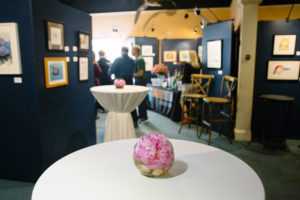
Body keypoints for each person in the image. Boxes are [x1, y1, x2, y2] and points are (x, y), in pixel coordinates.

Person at [108, 47, 138, 127]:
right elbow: (134, 71)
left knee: (120, 100)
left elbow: (111, 71)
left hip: (120, 83)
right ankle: (134, 121)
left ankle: (121, 122)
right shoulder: (132, 60)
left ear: (121, 51)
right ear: (127, 52)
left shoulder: (117, 59)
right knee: (131, 100)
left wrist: (110, 69)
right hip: (130, 82)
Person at [180, 50, 201, 124]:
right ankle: (192, 116)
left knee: (182, 101)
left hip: (187, 85)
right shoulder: (198, 66)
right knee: (193, 101)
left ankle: (186, 118)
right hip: (195, 86)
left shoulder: (187, 65)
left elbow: (185, 76)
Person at [132, 45, 148, 123]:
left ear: (136, 51)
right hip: (138, 81)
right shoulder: (137, 59)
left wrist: (131, 75)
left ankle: (143, 117)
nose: (131, 52)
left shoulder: (140, 59)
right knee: (140, 100)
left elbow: (140, 73)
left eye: (132, 50)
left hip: (140, 81)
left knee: (141, 100)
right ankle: (142, 115)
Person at [93, 52, 103, 118]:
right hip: (95, 82)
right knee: (95, 99)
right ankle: (95, 115)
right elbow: (100, 71)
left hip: (90, 82)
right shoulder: (95, 63)